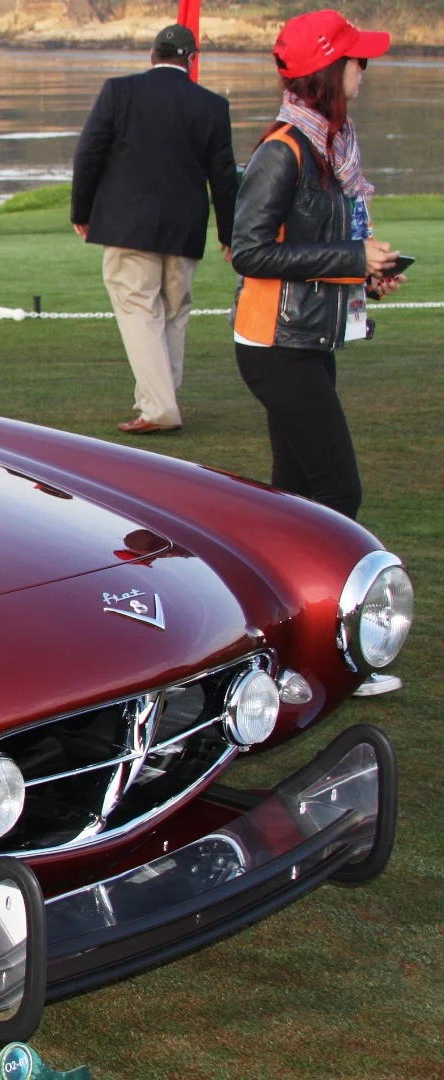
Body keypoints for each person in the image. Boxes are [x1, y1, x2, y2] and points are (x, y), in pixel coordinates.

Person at [231, 10, 404, 696]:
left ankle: (272, 647)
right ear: (332, 71)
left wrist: (364, 272)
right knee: (336, 494)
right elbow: (248, 250)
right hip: (276, 343)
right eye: (359, 60)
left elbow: (316, 250)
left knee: (293, 500)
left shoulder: (331, 147)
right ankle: (327, 651)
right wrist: (349, 258)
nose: (367, 69)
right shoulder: (286, 149)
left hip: (306, 337)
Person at [71, 24, 239, 435]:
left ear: (152, 54)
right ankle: (161, 397)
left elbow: (89, 152)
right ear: (191, 59)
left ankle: (160, 408)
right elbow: (224, 178)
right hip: (184, 228)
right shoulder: (212, 106)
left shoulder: (119, 91)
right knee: (173, 312)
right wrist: (230, 234)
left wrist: (82, 210)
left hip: (128, 224)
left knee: (139, 309)